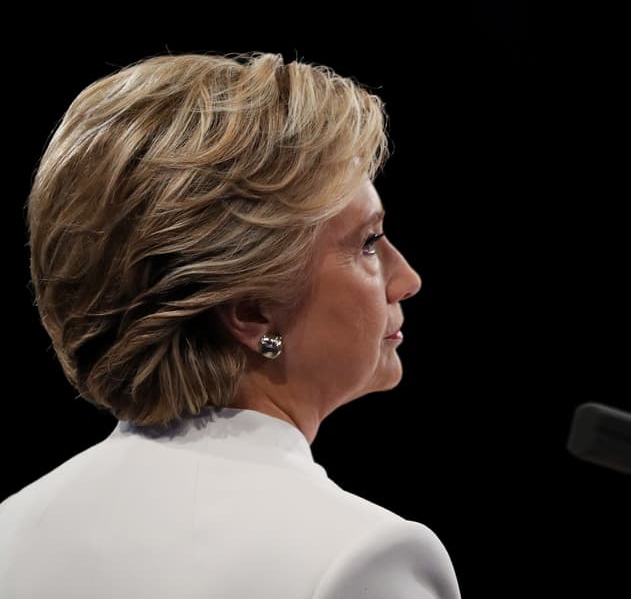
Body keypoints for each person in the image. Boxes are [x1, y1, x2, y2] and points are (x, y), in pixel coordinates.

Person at [0, 52, 460, 598]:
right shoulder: (360, 560)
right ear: (250, 312)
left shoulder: (13, 529)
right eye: (367, 242)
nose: (406, 279)